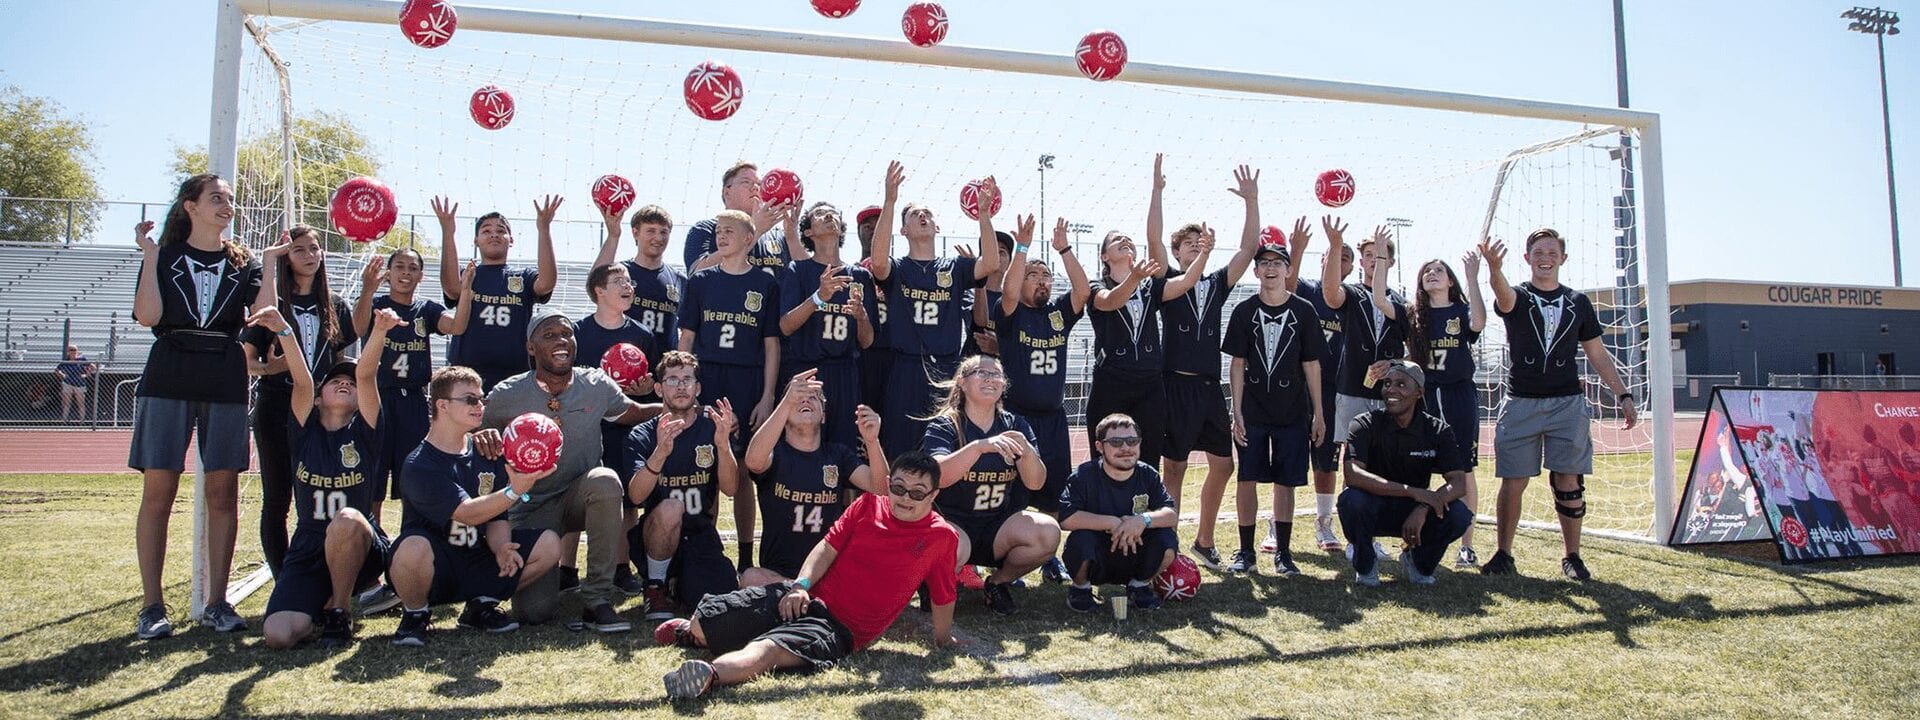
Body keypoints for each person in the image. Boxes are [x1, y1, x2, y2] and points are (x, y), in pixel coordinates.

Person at [655, 451, 959, 701]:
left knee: (768, 650)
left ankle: (708, 675)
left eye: (918, 493)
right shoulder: (866, 505)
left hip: (839, 629)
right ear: (889, 483)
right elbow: (826, 549)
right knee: (702, 621)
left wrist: (943, 639)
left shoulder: (942, 537)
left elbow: (943, 594)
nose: (906, 498)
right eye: (899, 488)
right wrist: (800, 587)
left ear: (934, 494)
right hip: (804, 597)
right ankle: (691, 632)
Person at [129, 173, 265, 639]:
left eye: (230, 199)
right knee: (159, 491)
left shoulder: (243, 262)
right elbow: (148, 316)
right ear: (190, 206)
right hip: (168, 372)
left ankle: (217, 602)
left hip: (224, 375)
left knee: (223, 492)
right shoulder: (163, 255)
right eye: (217, 198)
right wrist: (149, 259)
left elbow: (263, 319)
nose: (228, 205)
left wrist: (267, 264)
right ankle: (152, 607)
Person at [482, 310, 661, 631]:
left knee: (605, 481)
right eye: (549, 335)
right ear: (531, 347)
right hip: (531, 508)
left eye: (567, 334)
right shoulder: (507, 394)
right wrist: (480, 435)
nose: (561, 340)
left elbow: (631, 412)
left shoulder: (595, 384)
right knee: (534, 612)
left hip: (580, 496)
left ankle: (597, 599)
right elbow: (468, 428)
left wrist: (679, 407)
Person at [1479, 230, 1638, 579]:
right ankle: (1504, 553)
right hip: (1522, 401)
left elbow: (1597, 354)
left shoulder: (1578, 302)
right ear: (1527, 258)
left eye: (1552, 251)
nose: (1545, 257)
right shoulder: (1519, 296)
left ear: (1562, 258)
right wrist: (1493, 268)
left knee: (1568, 479)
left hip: (1567, 404)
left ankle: (1573, 556)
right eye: (1538, 251)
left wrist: (1622, 394)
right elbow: (1503, 298)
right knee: (1514, 479)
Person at [254, 304, 396, 648]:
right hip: (309, 546)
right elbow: (302, 379)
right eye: (335, 381)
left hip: (360, 545)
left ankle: (339, 609)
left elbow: (365, 374)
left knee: (347, 519)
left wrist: (379, 331)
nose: (346, 383)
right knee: (278, 635)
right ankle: (317, 602)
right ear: (317, 399)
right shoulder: (303, 433)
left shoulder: (364, 432)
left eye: (350, 382)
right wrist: (284, 329)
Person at [390, 366, 562, 646]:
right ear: (442, 405)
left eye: (482, 399)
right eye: (470, 399)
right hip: (436, 564)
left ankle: (482, 604)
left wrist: (502, 548)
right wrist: (515, 490)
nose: (479, 405)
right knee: (411, 547)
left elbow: (496, 516)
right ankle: (416, 613)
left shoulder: (486, 452)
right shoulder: (419, 463)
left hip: (476, 555)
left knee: (549, 544)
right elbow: (467, 513)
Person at [867, 161, 1004, 458]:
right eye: (914, 214)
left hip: (946, 368)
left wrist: (983, 214)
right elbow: (878, 263)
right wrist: (890, 201)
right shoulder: (900, 268)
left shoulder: (953, 268)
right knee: (900, 451)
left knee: (943, 448)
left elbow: (991, 264)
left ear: (937, 226)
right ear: (903, 230)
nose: (922, 215)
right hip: (905, 369)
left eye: (927, 213)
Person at [246, 226, 359, 578]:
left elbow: (342, 359)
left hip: (323, 414)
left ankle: (327, 573)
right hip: (278, 407)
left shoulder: (335, 304)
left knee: (320, 495)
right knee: (278, 498)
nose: (309, 255)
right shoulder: (273, 305)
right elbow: (248, 361)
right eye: (299, 250)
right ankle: (284, 579)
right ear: (286, 257)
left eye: (314, 248)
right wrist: (272, 367)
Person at [1085, 154, 1209, 472]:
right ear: (1104, 255)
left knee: (1148, 457)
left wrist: (1204, 253)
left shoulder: (1150, 285)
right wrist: (1136, 277)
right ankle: (1103, 519)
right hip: (1112, 381)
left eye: (1128, 239)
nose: (1125, 240)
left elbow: (1186, 281)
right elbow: (1111, 301)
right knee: (1105, 458)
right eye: (1116, 241)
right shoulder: (1096, 284)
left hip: (1150, 383)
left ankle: (1146, 519)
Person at [678, 208, 783, 568]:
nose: (721, 237)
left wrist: (767, 396)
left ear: (748, 239)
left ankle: (743, 556)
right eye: (719, 231)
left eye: (729, 232)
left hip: (746, 382)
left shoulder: (766, 284)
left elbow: (771, 344)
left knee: (741, 471)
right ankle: (702, 549)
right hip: (707, 379)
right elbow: (687, 337)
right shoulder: (700, 281)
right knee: (703, 463)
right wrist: (680, 381)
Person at [1169, 166, 1262, 568]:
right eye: (1187, 244)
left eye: (1199, 241)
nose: (1194, 246)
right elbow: (1155, 241)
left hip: (1208, 387)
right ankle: (1166, 545)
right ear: (1176, 253)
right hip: (1173, 385)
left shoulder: (1216, 285)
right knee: (1173, 467)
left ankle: (1204, 540)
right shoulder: (1167, 283)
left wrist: (1251, 202)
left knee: (1223, 464)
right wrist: (1158, 190)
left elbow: (1247, 250)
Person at [1222, 241, 1327, 575]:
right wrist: (1236, 411)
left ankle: (1283, 551)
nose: (1270, 269)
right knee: (1247, 477)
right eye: (1264, 263)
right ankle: (1246, 551)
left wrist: (1319, 413)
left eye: (1277, 263)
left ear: (1288, 269)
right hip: (1254, 408)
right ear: (1255, 271)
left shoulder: (1304, 311)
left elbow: (1312, 365)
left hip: (1292, 410)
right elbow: (1237, 365)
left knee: (1286, 480)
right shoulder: (1244, 311)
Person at [996, 216, 1091, 582]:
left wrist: (1064, 249)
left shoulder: (1057, 316)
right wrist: (1022, 249)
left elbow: (1082, 292)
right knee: (1014, 494)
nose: (1041, 281)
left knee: (1053, 492)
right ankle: (1013, 559)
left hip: (1052, 419)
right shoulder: (1012, 314)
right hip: (1017, 418)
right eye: (1034, 275)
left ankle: (1050, 558)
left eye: (1045, 276)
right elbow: (1006, 293)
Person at [924, 354, 1056, 615]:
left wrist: (1027, 452)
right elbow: (938, 475)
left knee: (1048, 532)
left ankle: (997, 582)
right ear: (962, 382)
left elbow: (1036, 482)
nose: (990, 378)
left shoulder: (1015, 424)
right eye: (981, 372)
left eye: (996, 374)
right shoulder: (946, 424)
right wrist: (979, 447)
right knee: (945, 542)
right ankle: (934, 582)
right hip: (954, 523)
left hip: (998, 527)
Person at [352, 247, 473, 518]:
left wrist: (465, 291)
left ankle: (412, 534)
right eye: (399, 267)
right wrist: (367, 290)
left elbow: (457, 326)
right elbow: (358, 329)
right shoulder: (376, 305)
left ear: (421, 275)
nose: (405, 273)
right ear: (389, 273)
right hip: (378, 397)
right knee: (374, 473)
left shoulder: (425, 310)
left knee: (414, 473)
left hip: (414, 401)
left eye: (412, 268)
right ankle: (372, 537)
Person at [739, 369, 886, 585]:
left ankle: (802, 595)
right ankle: (802, 594)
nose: (805, 401)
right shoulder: (775, 452)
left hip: (826, 571)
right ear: (785, 411)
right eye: (798, 398)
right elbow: (753, 461)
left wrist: (873, 442)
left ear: (823, 415)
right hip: (778, 574)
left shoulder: (838, 455)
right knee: (751, 577)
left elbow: (881, 489)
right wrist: (786, 403)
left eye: (813, 398)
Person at [1337, 360, 1475, 586]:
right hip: (1374, 507)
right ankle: (1366, 564)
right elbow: (1353, 474)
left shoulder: (1438, 430)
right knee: (1351, 501)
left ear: (1419, 392)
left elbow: (1458, 483)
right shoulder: (1364, 424)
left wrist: (1424, 507)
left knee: (1459, 514)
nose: (1391, 389)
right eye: (1388, 384)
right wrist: (1413, 492)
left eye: (1401, 385)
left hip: (1414, 513)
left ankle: (1419, 562)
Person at [626, 351, 742, 620]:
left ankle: (678, 583)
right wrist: (661, 452)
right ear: (657, 388)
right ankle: (655, 584)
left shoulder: (711, 429)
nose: (681, 386)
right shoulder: (642, 434)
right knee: (670, 508)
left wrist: (724, 447)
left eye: (687, 379)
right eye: (672, 379)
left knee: (719, 597)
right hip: (656, 535)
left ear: (698, 388)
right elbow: (635, 495)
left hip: (699, 534)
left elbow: (731, 489)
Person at [571, 262, 659, 594]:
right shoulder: (578, 332)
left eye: (629, 281)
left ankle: (622, 567)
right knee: (577, 494)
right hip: (585, 426)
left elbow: (649, 387)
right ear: (599, 291)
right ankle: (567, 569)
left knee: (626, 499)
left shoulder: (641, 334)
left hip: (623, 429)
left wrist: (643, 390)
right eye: (618, 281)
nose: (627, 286)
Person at [1406, 254, 1486, 568]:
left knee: (1463, 469)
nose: (1433, 273)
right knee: (1419, 468)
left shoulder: (1461, 312)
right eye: (1427, 271)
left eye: (1439, 270)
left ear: (1450, 281)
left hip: (1458, 396)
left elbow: (1479, 322)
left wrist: (1473, 276)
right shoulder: (1413, 315)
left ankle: (1466, 546)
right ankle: (1416, 540)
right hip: (1425, 397)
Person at [777, 202, 876, 448]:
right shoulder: (799, 270)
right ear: (808, 232)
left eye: (833, 212)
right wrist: (818, 297)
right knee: (804, 444)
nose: (829, 215)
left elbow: (867, 341)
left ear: (842, 229)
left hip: (845, 374)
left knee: (845, 450)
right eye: (820, 213)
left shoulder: (860, 276)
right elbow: (786, 326)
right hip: (807, 373)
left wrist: (862, 317)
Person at [1058, 414, 1180, 612]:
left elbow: (1171, 514)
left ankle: (1139, 586)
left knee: (1167, 540)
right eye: (1116, 442)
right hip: (1097, 556)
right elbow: (1066, 518)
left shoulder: (1147, 474)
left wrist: (1142, 520)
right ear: (1099, 446)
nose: (1125, 448)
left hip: (1135, 551)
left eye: (1132, 441)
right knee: (1079, 541)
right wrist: (1113, 523)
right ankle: (1081, 589)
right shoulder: (1083, 475)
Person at [438, 195, 557, 391]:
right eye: (486, 231)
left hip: (515, 375)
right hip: (466, 373)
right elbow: (451, 288)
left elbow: (546, 283)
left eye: (501, 231)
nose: (494, 234)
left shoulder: (523, 276)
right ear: (476, 241)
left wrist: (543, 228)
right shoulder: (468, 274)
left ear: (511, 241)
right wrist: (448, 232)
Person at [1286, 218, 1349, 554]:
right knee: (1289, 454)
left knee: (1327, 460)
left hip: (1334, 390)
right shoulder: (1310, 290)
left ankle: (1324, 522)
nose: (1336, 263)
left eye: (1343, 259)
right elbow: (1289, 284)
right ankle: (1277, 524)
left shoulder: (1352, 299)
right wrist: (1296, 250)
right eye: (1330, 257)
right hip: (1297, 386)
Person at [591, 203, 684, 372]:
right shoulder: (622, 273)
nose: (658, 237)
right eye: (651, 231)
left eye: (664, 232)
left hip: (661, 371)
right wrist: (613, 236)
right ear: (635, 232)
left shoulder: (679, 280)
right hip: (619, 365)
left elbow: (687, 331)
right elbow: (595, 282)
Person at [681, 161, 807, 274]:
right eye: (746, 182)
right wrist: (754, 230)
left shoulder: (779, 235)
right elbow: (697, 274)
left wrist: (792, 237)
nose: (755, 187)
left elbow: (808, 280)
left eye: (759, 183)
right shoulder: (706, 229)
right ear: (727, 192)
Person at [55, 344, 96, 423]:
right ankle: (64, 420)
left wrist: (87, 374)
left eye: (74, 350)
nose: (73, 352)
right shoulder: (66, 361)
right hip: (68, 383)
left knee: (80, 403)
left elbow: (93, 367)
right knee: (66, 403)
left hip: (79, 384)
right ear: (68, 352)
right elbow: (57, 370)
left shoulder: (81, 359)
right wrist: (62, 375)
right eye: (71, 350)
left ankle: (81, 421)